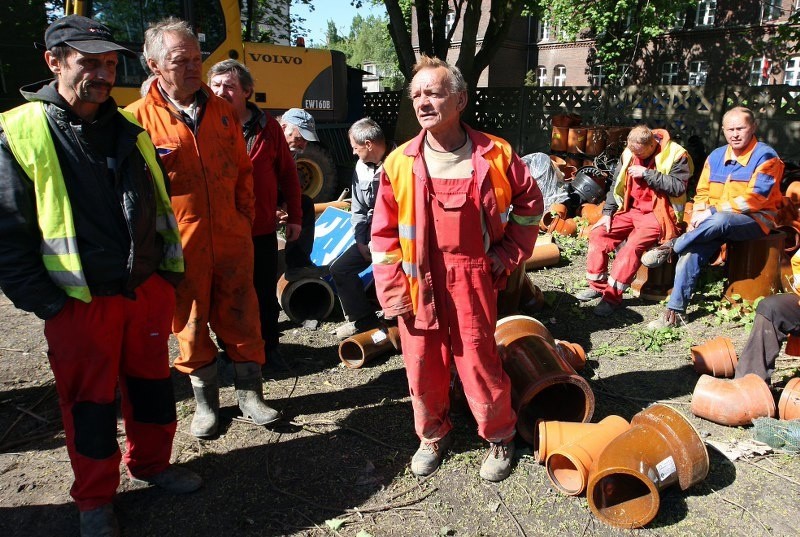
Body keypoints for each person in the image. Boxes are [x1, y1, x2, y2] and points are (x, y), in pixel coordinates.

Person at [0, 15, 200, 536]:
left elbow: (153, 205)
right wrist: (48, 303)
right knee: (89, 407)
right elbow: (8, 233)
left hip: (143, 291)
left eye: (110, 63)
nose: (104, 73)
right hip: (78, 304)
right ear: (54, 61)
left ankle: (153, 466)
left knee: (153, 388)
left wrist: (164, 279)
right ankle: (94, 500)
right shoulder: (19, 131)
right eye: (89, 62)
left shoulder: (128, 129)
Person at [370, 56, 543, 482]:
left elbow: (530, 206)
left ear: (461, 99)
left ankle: (500, 435)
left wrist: (505, 256)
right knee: (422, 362)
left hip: (472, 276)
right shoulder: (398, 163)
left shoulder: (496, 154)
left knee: (478, 358)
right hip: (416, 279)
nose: (422, 101)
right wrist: (393, 292)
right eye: (416, 95)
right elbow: (384, 236)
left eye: (433, 92)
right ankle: (432, 434)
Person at [126, 18, 279, 438]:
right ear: (154, 64)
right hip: (180, 248)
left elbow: (244, 175)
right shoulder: (136, 121)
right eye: (181, 60)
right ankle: (206, 404)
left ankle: (250, 395)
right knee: (189, 325)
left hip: (232, 240)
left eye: (197, 58)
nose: (193, 68)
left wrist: (242, 221)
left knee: (243, 316)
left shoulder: (223, 114)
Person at [647, 107, 785, 329]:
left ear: (753, 127)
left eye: (741, 128)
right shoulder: (716, 156)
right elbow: (702, 192)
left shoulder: (766, 157)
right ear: (723, 130)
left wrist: (711, 212)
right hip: (716, 223)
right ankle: (675, 312)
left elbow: (755, 200)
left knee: (719, 220)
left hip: (755, 221)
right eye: (730, 129)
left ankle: (672, 245)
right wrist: (698, 214)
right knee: (692, 249)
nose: (735, 134)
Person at [207, 59, 302, 361]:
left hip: (259, 229)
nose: (222, 91)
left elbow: (287, 174)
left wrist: (295, 216)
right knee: (226, 295)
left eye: (230, 86)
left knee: (262, 292)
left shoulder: (268, 128)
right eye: (216, 85)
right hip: (219, 230)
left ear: (246, 91)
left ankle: (269, 347)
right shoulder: (202, 123)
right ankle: (231, 352)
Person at [574, 126, 691, 316]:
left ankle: (612, 298)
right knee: (598, 234)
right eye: (632, 150)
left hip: (658, 214)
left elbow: (678, 187)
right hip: (630, 210)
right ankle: (597, 286)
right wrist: (608, 213)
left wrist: (647, 173)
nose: (635, 155)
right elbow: (616, 184)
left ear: (652, 144)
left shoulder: (676, 154)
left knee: (632, 246)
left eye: (640, 152)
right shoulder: (629, 153)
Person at [330, 118, 390, 339]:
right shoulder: (360, 167)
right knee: (340, 269)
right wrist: (361, 241)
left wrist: (382, 243)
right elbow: (358, 208)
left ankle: (395, 322)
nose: (354, 153)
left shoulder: (400, 163)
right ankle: (362, 319)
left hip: (396, 241)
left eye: (355, 148)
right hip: (370, 239)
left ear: (368, 144)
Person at [278, 108, 329, 281]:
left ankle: (298, 264)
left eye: (306, 141)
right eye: (299, 139)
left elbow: (289, 183)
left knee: (304, 204)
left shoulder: (290, 151)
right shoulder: (265, 145)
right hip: (254, 197)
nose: (302, 145)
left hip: (271, 195)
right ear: (283, 127)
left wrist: (289, 206)